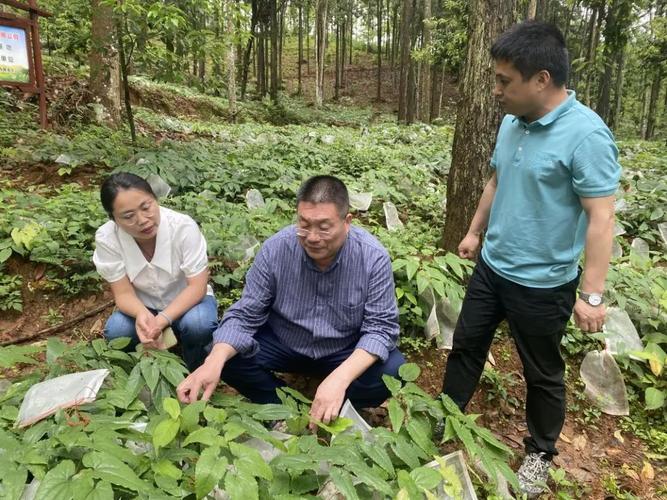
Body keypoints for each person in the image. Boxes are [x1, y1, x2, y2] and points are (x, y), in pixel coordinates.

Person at [441, 21, 621, 497]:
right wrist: (474, 232)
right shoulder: (510, 122)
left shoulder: (587, 136)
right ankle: (446, 422)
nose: (496, 90)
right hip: (492, 266)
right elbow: (498, 181)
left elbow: (601, 219)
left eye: (505, 81)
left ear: (541, 79)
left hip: (543, 284)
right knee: (465, 346)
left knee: (541, 372)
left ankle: (540, 452)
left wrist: (592, 294)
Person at [177, 175, 405, 426]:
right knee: (222, 352)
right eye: (304, 224)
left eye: (324, 226)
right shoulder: (276, 249)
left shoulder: (372, 257)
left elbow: (381, 328)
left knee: (393, 370)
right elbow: (245, 315)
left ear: (347, 222)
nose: (313, 237)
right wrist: (213, 362)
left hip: (343, 348)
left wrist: (340, 378)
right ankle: (283, 408)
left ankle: (337, 405)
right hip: (284, 343)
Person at [93, 172, 217, 371]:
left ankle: (195, 370)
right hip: (144, 306)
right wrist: (143, 315)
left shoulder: (183, 228)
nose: (142, 220)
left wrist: (161, 321)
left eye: (146, 207)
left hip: (189, 303)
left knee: (199, 325)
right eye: (128, 216)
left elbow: (197, 287)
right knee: (117, 331)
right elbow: (123, 293)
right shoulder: (108, 238)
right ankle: (140, 374)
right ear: (113, 219)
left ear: (155, 199)